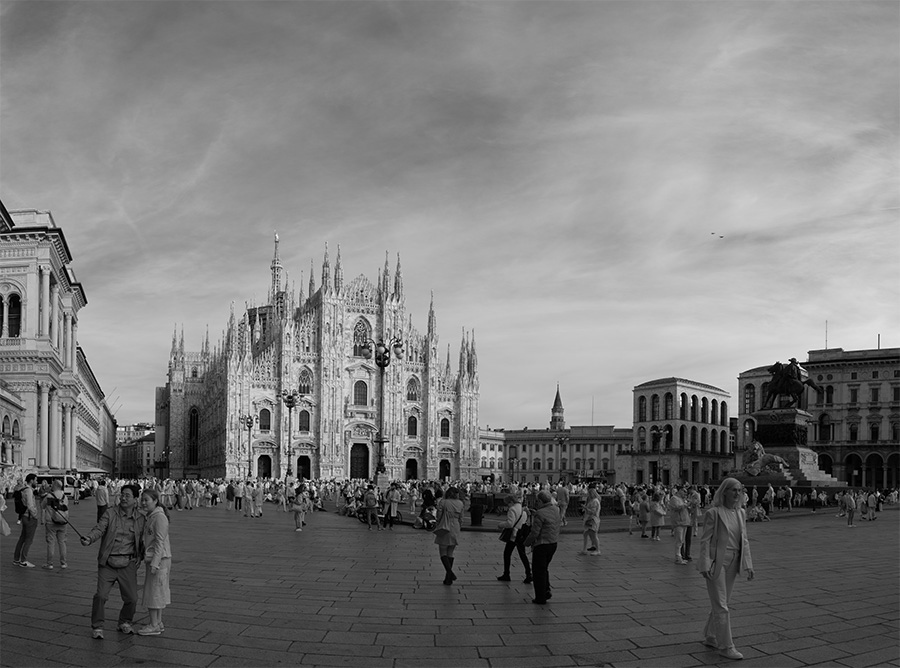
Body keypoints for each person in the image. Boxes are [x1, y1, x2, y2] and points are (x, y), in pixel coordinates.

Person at [698, 478, 754, 661]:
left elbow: (744, 540)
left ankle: (710, 635)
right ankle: (726, 646)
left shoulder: (741, 512)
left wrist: (748, 564)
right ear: (724, 492)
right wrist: (705, 563)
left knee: (723, 601)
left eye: (739, 490)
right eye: (733, 490)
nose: (737, 493)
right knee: (721, 605)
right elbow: (705, 540)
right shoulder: (714, 513)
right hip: (717, 562)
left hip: (734, 560)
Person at [81, 483, 145, 639]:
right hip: (108, 562)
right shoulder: (110, 513)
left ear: (135, 499)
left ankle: (125, 622)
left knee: (132, 598)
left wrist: (141, 556)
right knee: (101, 596)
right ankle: (97, 626)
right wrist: (89, 538)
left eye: (127, 495)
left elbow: (144, 540)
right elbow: (99, 528)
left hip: (128, 562)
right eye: (122, 495)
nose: (123, 498)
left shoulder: (141, 518)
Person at [137, 488, 171, 636]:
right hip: (156, 558)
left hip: (159, 559)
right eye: (142, 499)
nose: (143, 503)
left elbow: (160, 542)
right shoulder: (152, 515)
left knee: (153, 592)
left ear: (155, 501)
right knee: (157, 590)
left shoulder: (159, 517)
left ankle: (153, 624)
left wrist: (155, 563)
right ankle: (158, 622)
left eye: (146, 500)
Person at [524, 490, 560, 605]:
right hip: (553, 543)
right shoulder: (556, 509)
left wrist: (526, 543)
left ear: (540, 501)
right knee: (544, 568)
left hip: (542, 544)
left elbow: (535, 533)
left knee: (538, 571)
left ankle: (540, 597)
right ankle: (546, 590)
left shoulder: (540, 513)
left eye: (537, 501)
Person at [496, 493, 532, 584]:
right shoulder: (523, 508)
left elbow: (510, 523)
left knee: (507, 553)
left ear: (511, 502)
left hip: (514, 535)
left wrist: (500, 525)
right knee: (522, 554)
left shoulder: (512, 509)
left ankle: (506, 574)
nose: (507, 505)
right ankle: (528, 574)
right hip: (521, 533)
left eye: (508, 503)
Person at [433, 487, 464, 585]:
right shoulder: (460, 503)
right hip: (456, 527)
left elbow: (439, 514)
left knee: (442, 551)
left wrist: (437, 523)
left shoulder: (443, 502)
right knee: (450, 551)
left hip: (445, 526)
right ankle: (448, 579)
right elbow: (461, 518)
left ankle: (450, 573)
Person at [41, 479, 70, 570]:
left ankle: (50, 564)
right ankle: (63, 563)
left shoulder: (49, 496)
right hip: (63, 521)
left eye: (53, 484)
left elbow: (42, 506)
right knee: (62, 543)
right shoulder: (65, 497)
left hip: (51, 522)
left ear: (55, 486)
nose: (51, 486)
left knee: (51, 543)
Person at [13, 473, 39, 568]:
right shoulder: (28, 491)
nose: (36, 482)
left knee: (22, 538)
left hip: (24, 515)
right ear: (31, 481)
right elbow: (30, 505)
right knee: (29, 539)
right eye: (35, 480)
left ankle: (16, 559)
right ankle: (23, 560)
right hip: (29, 517)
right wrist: (35, 515)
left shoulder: (22, 489)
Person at [669, 487, 691, 565]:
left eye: (686, 492)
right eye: (684, 491)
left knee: (681, 541)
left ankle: (680, 556)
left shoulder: (682, 499)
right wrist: (685, 505)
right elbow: (677, 507)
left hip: (684, 521)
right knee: (678, 540)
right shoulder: (674, 498)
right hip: (678, 521)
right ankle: (677, 557)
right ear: (680, 490)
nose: (685, 493)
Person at [580, 486, 601, 555]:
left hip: (592, 519)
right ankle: (585, 549)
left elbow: (593, 511)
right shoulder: (594, 500)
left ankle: (597, 550)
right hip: (591, 519)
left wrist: (585, 508)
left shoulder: (594, 501)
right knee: (588, 534)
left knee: (592, 534)